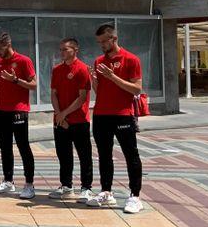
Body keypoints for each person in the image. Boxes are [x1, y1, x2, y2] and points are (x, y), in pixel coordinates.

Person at [89, 24, 144, 213]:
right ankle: (106, 192)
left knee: (131, 155)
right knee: (104, 155)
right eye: (99, 42)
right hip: (101, 115)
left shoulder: (131, 59)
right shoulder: (98, 61)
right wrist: (94, 80)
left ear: (113, 38)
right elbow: (100, 91)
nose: (102, 45)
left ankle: (135, 196)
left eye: (104, 41)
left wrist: (113, 77)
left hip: (122, 115)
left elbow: (137, 89)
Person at [0, 32, 38, 198]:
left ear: (7, 45)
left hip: (19, 110)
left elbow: (34, 85)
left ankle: (29, 185)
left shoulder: (24, 60)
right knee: (5, 147)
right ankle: (8, 181)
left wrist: (16, 80)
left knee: (23, 146)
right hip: (1, 110)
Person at [50, 38, 94, 202]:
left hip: (79, 120)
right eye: (60, 49)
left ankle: (86, 187)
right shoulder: (57, 69)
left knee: (84, 155)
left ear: (76, 49)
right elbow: (53, 93)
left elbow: (82, 97)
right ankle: (66, 185)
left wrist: (65, 113)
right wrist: (59, 114)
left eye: (65, 49)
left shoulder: (82, 69)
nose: (62, 52)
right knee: (63, 154)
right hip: (60, 120)